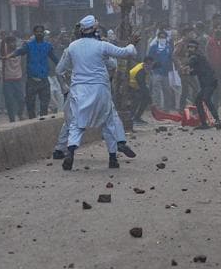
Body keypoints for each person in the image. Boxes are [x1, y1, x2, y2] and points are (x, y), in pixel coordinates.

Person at [57, 15, 138, 171]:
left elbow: (60, 69)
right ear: (95, 29)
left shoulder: (72, 47)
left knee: (76, 124)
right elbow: (126, 53)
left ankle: (71, 153)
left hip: (78, 90)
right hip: (100, 89)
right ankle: (113, 158)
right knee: (108, 122)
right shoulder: (102, 46)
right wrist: (132, 44)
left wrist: (65, 86)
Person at [3, 25, 59, 119]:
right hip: (31, 80)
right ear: (34, 33)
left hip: (44, 80)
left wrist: (63, 67)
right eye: (37, 31)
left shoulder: (48, 46)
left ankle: (42, 122)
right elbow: (19, 51)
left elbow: (54, 59)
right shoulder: (29, 45)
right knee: (30, 105)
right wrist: (9, 56)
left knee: (44, 104)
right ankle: (32, 122)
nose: (39, 33)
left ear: (43, 33)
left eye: (41, 31)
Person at [185, 39, 221, 130]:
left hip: (209, 82)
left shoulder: (197, 56)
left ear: (196, 48)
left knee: (206, 99)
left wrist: (185, 67)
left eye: (193, 47)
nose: (191, 49)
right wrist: (188, 72)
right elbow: (196, 71)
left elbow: (191, 63)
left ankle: (217, 120)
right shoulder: (197, 57)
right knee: (198, 101)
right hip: (205, 84)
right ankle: (204, 123)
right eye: (189, 47)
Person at [0, 36, 24, 122]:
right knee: (9, 101)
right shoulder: (4, 52)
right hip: (8, 80)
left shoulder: (19, 52)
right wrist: (3, 39)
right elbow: (2, 47)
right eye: (10, 42)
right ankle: (12, 119)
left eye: (14, 42)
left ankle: (20, 114)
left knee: (21, 99)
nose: (12, 44)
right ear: (7, 44)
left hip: (18, 79)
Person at [148, 30, 174, 110]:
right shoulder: (153, 47)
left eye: (164, 37)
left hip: (166, 73)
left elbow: (171, 59)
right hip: (156, 72)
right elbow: (149, 59)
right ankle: (156, 107)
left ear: (166, 38)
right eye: (161, 37)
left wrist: (171, 71)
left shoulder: (169, 48)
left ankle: (167, 107)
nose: (162, 39)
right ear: (158, 38)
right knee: (156, 90)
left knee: (167, 90)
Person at [129, 57, 154, 124]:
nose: (149, 66)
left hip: (136, 86)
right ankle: (131, 118)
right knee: (138, 99)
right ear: (144, 63)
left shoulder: (143, 67)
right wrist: (150, 100)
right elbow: (142, 86)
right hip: (130, 87)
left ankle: (137, 117)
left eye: (151, 64)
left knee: (145, 99)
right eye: (148, 64)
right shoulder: (140, 71)